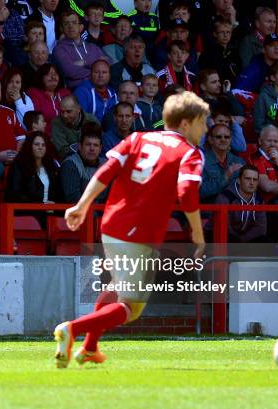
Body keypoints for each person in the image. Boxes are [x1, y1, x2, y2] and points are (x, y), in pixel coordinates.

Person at [54, 91, 209, 367]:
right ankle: (72, 330)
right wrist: (197, 234)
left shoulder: (138, 138)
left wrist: (82, 205)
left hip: (111, 224)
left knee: (117, 287)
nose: (205, 128)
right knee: (131, 307)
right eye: (202, 122)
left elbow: (106, 171)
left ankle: (90, 348)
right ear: (186, 124)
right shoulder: (190, 153)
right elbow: (187, 194)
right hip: (139, 234)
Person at [52, 10, 105, 89]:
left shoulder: (93, 47)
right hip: (76, 92)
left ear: (81, 27)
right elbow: (70, 71)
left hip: (99, 89)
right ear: (61, 29)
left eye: (74, 22)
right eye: (66, 24)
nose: (70, 26)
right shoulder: (59, 49)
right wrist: (96, 71)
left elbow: (106, 65)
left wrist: (84, 62)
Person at [215, 164, 267, 243]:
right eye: (247, 179)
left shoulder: (259, 200)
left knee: (264, 241)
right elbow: (224, 228)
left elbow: (261, 228)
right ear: (239, 181)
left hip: (243, 238)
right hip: (221, 237)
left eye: (255, 180)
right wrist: (239, 243)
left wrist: (242, 241)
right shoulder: (225, 197)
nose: (252, 183)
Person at [6, 131, 61, 204]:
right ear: (29, 146)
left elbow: (57, 192)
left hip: (49, 211)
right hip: (26, 212)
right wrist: (40, 203)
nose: (40, 147)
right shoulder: (18, 165)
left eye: (43, 145)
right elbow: (14, 194)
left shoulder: (51, 166)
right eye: (36, 144)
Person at [60, 122, 107, 203]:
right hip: (78, 213)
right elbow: (74, 199)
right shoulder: (71, 164)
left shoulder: (106, 165)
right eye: (88, 144)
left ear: (100, 149)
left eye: (95, 145)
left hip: (103, 213)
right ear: (80, 147)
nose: (92, 148)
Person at [249, 125, 278, 202]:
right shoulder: (254, 159)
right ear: (260, 141)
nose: (272, 144)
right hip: (265, 207)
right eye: (269, 141)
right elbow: (267, 186)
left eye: (276, 141)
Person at [200, 124, 245, 203]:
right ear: (210, 139)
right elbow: (200, 191)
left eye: (226, 137)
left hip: (235, 211)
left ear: (231, 139)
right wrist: (225, 177)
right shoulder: (200, 162)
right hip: (208, 212)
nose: (223, 139)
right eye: (218, 137)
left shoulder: (239, 161)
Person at [27, 63, 70, 135]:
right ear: (41, 77)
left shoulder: (65, 93)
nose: (53, 76)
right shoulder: (34, 93)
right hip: (46, 137)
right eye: (48, 74)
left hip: (67, 134)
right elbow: (36, 121)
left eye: (55, 73)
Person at [51, 95, 99, 159]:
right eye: (62, 112)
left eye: (68, 111)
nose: (65, 115)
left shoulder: (91, 120)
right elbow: (62, 151)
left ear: (78, 109)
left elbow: (98, 144)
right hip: (69, 161)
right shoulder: (56, 123)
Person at [73, 59, 117, 123]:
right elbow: (80, 120)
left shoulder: (114, 93)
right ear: (90, 75)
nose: (100, 76)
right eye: (96, 72)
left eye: (104, 72)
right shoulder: (81, 92)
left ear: (109, 76)